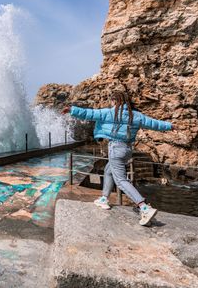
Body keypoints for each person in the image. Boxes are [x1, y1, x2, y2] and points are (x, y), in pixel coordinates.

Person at [61, 91, 173, 226]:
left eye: (111, 100)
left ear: (114, 100)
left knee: (121, 180)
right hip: (127, 150)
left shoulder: (109, 113)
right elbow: (154, 123)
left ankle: (144, 207)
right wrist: (170, 126)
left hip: (115, 148)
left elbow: (88, 113)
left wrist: (71, 109)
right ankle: (104, 199)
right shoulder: (135, 115)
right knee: (109, 170)